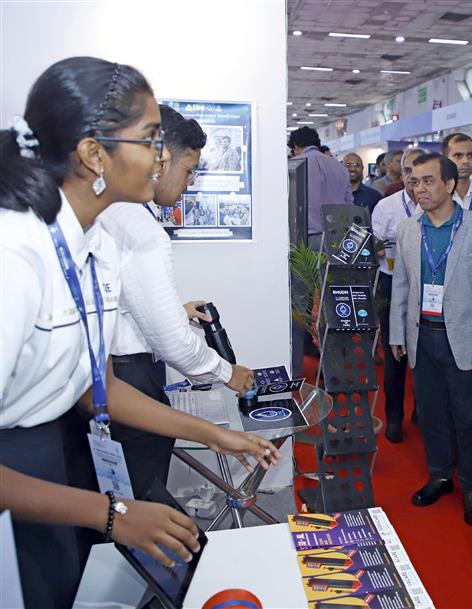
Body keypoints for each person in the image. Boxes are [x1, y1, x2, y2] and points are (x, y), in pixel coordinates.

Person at [0, 56, 280, 609]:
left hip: (47, 471)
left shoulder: (96, 243)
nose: (162, 157)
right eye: (151, 138)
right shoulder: (16, 256)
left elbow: (91, 383)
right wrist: (112, 514)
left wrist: (214, 434)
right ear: (93, 153)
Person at [98, 105, 256, 498]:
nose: (188, 183)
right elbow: (169, 338)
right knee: (141, 502)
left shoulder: (112, 214)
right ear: (157, 157)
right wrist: (225, 372)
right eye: (187, 170)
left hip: (115, 372)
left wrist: (174, 311)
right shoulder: (139, 226)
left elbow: (117, 301)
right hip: (129, 377)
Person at [389, 153, 472, 526]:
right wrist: (396, 333)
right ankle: (440, 475)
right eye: (414, 180)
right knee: (431, 414)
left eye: (427, 180)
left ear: (450, 184)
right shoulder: (408, 230)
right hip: (422, 336)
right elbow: (401, 285)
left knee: (470, 419)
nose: (418, 187)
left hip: (467, 340)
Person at [371, 147, 426, 443]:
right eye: (408, 172)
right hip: (392, 283)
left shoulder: (437, 205)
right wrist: (387, 243)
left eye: (420, 173)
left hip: (428, 287)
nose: (413, 179)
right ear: (401, 173)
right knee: (395, 355)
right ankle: (394, 417)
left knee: (426, 353)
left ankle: (421, 410)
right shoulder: (386, 206)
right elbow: (373, 248)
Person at [288, 126, 353, 249]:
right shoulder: (341, 168)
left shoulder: (293, 165)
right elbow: (349, 203)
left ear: (295, 146)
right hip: (337, 237)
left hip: (304, 238)